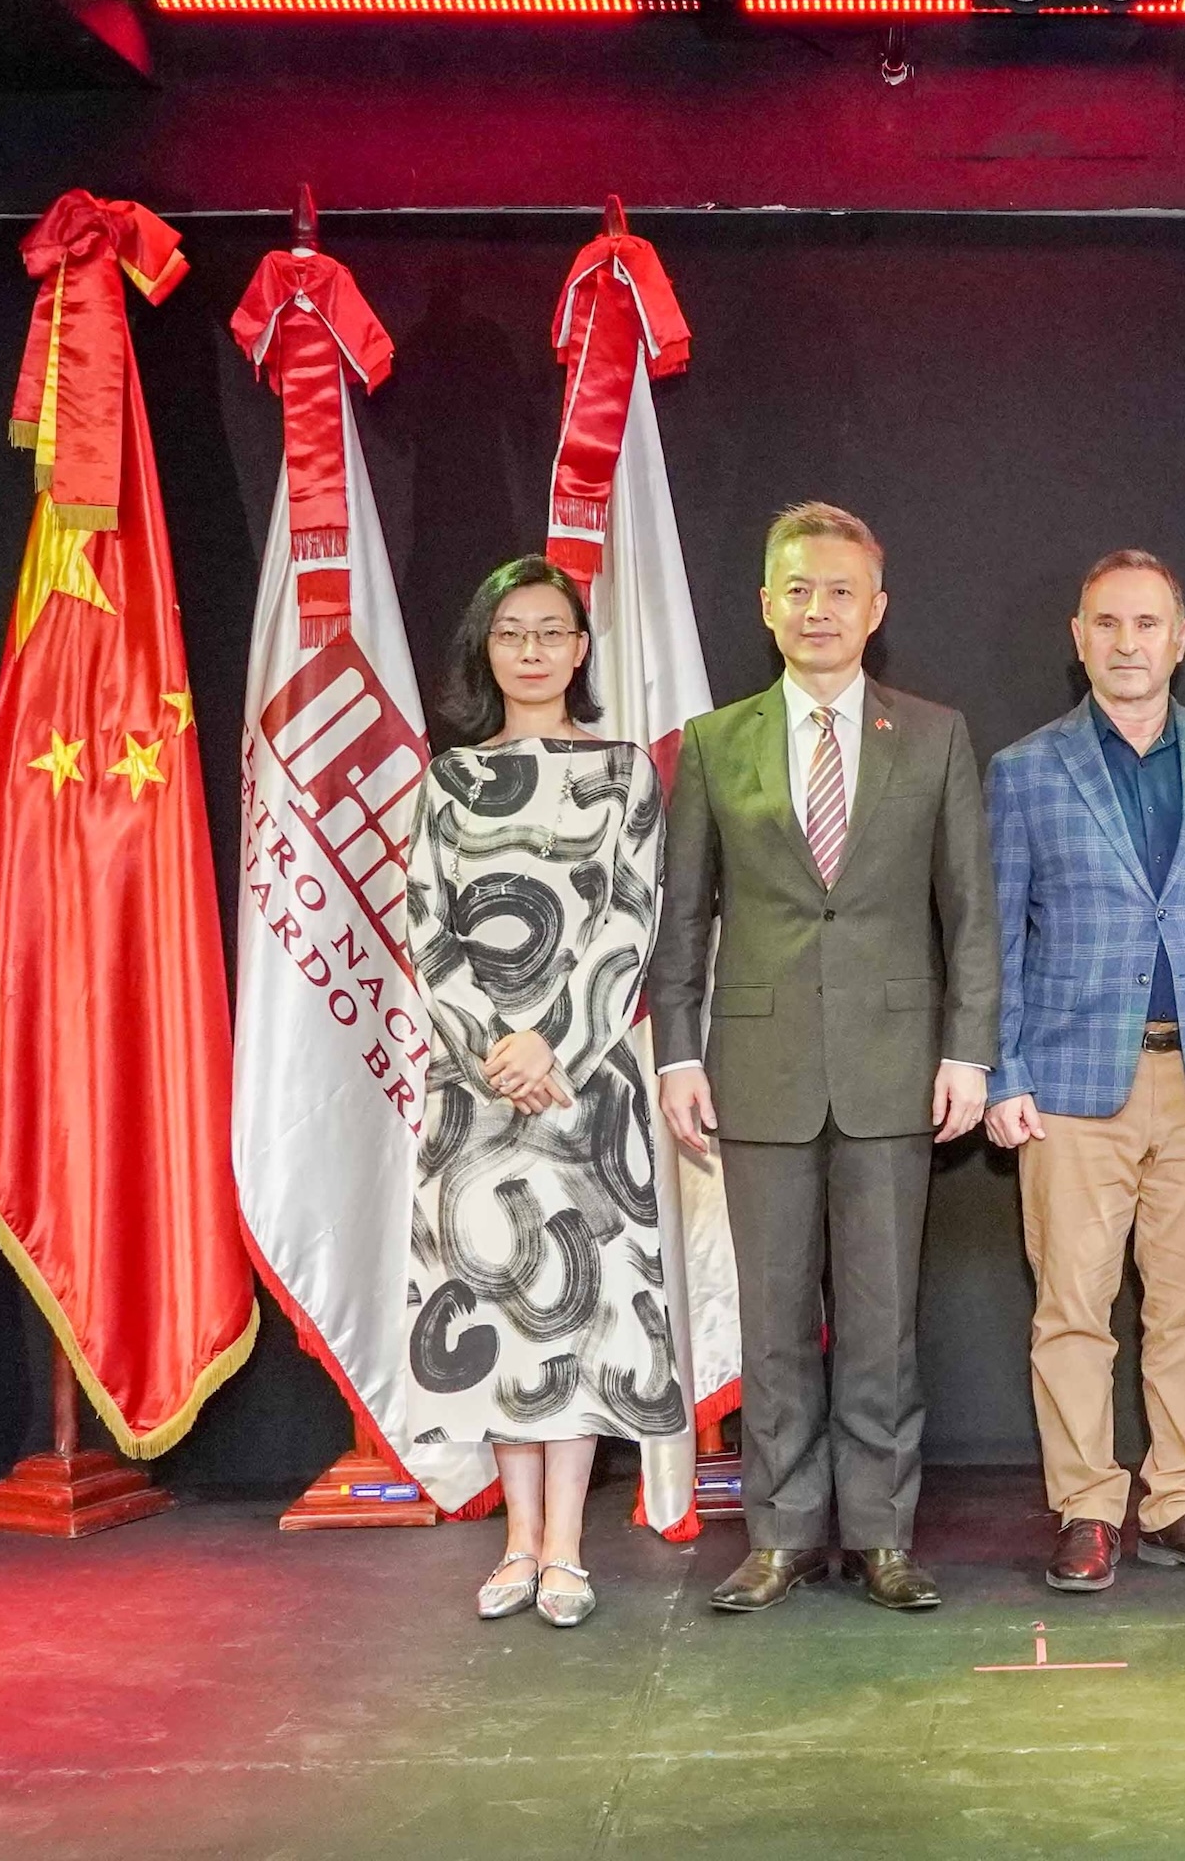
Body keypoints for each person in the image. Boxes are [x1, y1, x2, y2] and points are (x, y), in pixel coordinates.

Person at [648, 502, 998, 1614]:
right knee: (773, 1321)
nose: (818, 609)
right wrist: (675, 1053)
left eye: (840, 591)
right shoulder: (715, 743)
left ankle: (883, 1534)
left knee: (883, 1321)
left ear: (875, 609)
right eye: (797, 589)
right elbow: (681, 915)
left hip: (897, 1069)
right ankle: (783, 1534)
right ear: (765, 605)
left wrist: (969, 1051)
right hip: (755, 1070)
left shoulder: (933, 736)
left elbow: (971, 912)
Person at [984, 551, 1185, 1594]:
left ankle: (1180, 1500)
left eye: (1146, 623)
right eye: (1106, 623)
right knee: (1071, 1306)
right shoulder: (1024, 770)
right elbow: (996, 937)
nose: (1127, 643)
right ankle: (1085, 1506)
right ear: (1078, 637)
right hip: (1069, 1082)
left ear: (1180, 637)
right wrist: (1003, 1070)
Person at [402, 555, 687, 1631]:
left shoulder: (622, 772)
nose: (531, 649)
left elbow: (630, 921)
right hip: (474, 1086)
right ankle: (515, 1540)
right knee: (495, 1300)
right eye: (511, 630)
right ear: (486, 648)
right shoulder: (449, 779)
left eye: (551, 631)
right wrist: (496, 1049)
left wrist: (550, 1044)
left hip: (583, 1080)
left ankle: (565, 1543)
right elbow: (426, 930)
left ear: (579, 649)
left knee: (580, 1306)